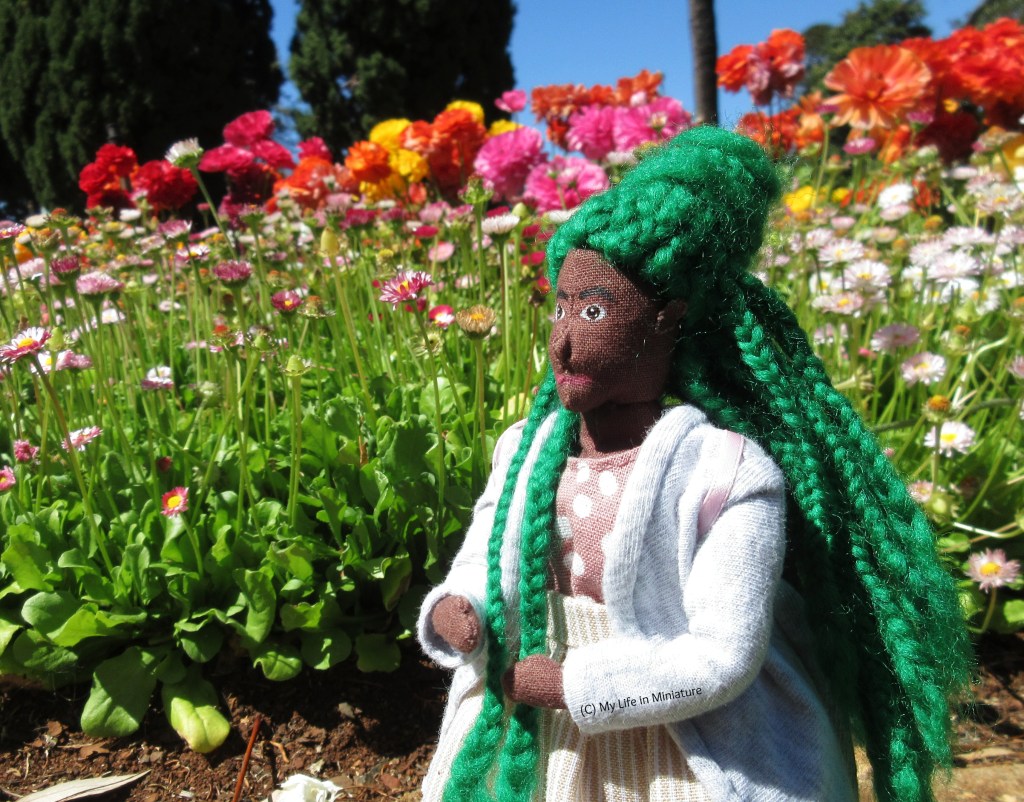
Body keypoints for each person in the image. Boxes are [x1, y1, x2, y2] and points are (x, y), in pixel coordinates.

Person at [417, 126, 970, 802]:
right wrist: (460, 602)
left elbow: (721, 653)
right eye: (560, 307)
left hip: (678, 736)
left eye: (593, 310)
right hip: (528, 707)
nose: (563, 341)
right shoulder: (525, 450)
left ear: (667, 322)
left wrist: (575, 684)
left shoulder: (727, 472)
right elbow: (486, 550)